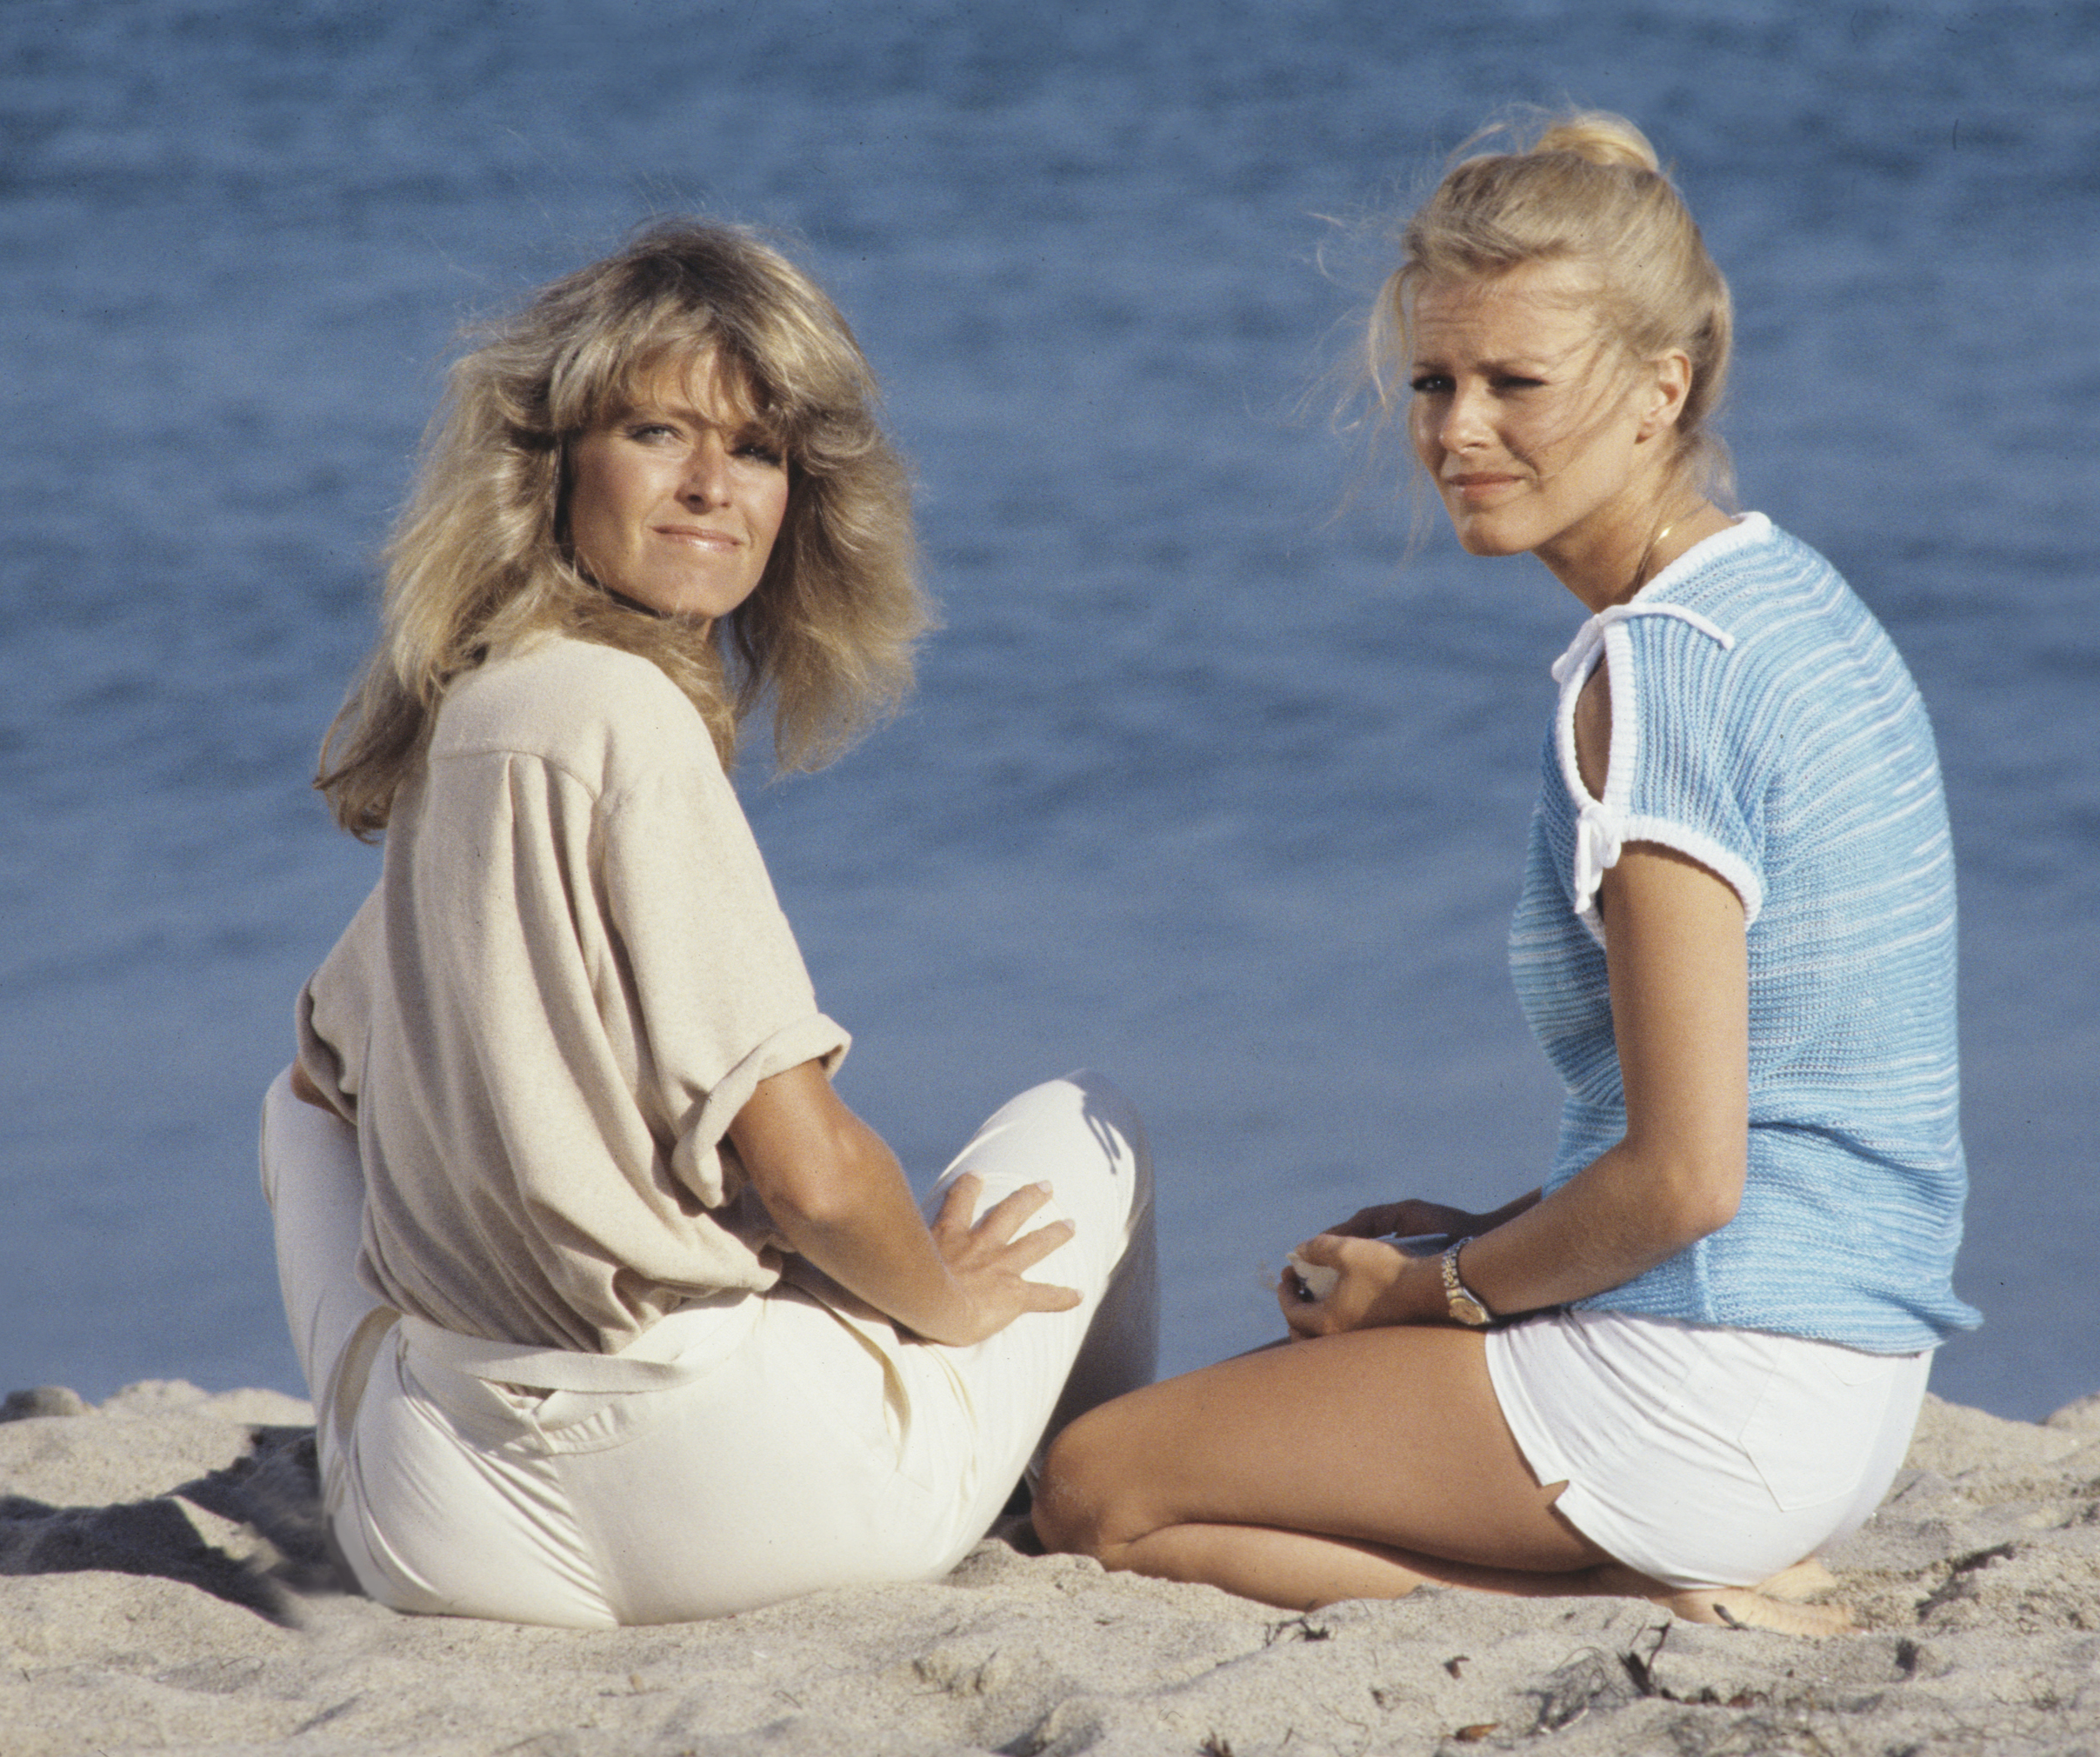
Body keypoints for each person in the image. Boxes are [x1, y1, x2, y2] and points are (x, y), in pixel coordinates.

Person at [1032, 113, 1977, 1634]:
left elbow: (1688, 1178)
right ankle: (1644, 1552)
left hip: (1713, 1389)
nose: (1457, 429)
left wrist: (1432, 1291)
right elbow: (1767, 1109)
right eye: (1433, 380)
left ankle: (1618, 1586)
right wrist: (1476, 1229)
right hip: (1847, 1386)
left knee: (1098, 1488)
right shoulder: (1785, 598)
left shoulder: (1659, 676)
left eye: (1514, 384)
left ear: (1662, 389)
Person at [263, 220, 1157, 1628]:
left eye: (754, 451)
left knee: (288, 1113)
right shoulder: (632, 721)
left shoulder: (476, 712)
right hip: (731, 1491)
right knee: (1089, 1121)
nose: (707, 485)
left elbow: (326, 1075)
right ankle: (1090, 1497)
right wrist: (940, 1299)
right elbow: (807, 1172)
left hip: (449, 1531)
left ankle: (426, 1387)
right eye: (655, 431)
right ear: (554, 464)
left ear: (800, 492)